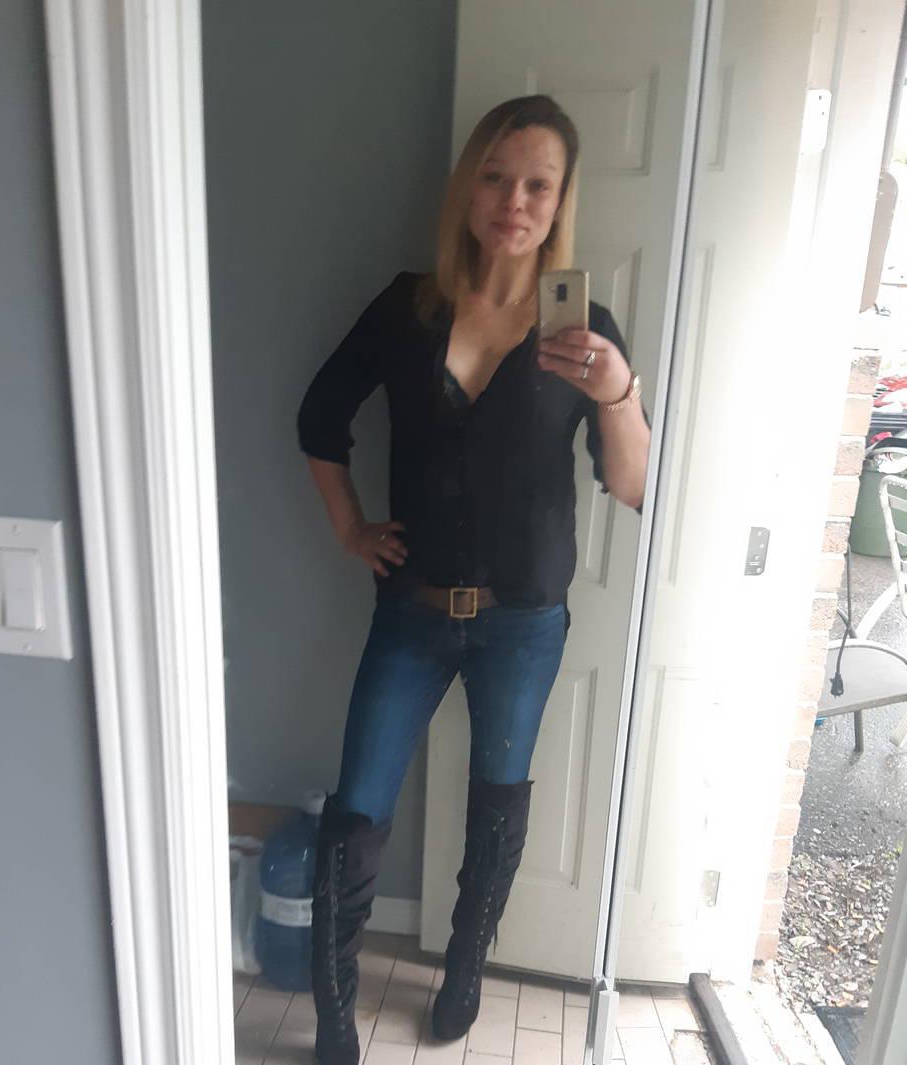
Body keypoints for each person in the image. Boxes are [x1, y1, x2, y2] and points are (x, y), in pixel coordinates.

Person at [296, 94, 649, 1065]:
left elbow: (631, 485)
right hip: (409, 612)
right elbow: (319, 418)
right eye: (495, 177)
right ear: (467, 185)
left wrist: (616, 390)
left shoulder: (584, 330)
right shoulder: (409, 306)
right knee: (356, 810)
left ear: (561, 200)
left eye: (538, 184)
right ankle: (334, 1009)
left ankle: (464, 971)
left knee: (497, 807)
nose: (513, 201)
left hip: (523, 623)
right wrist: (350, 528)